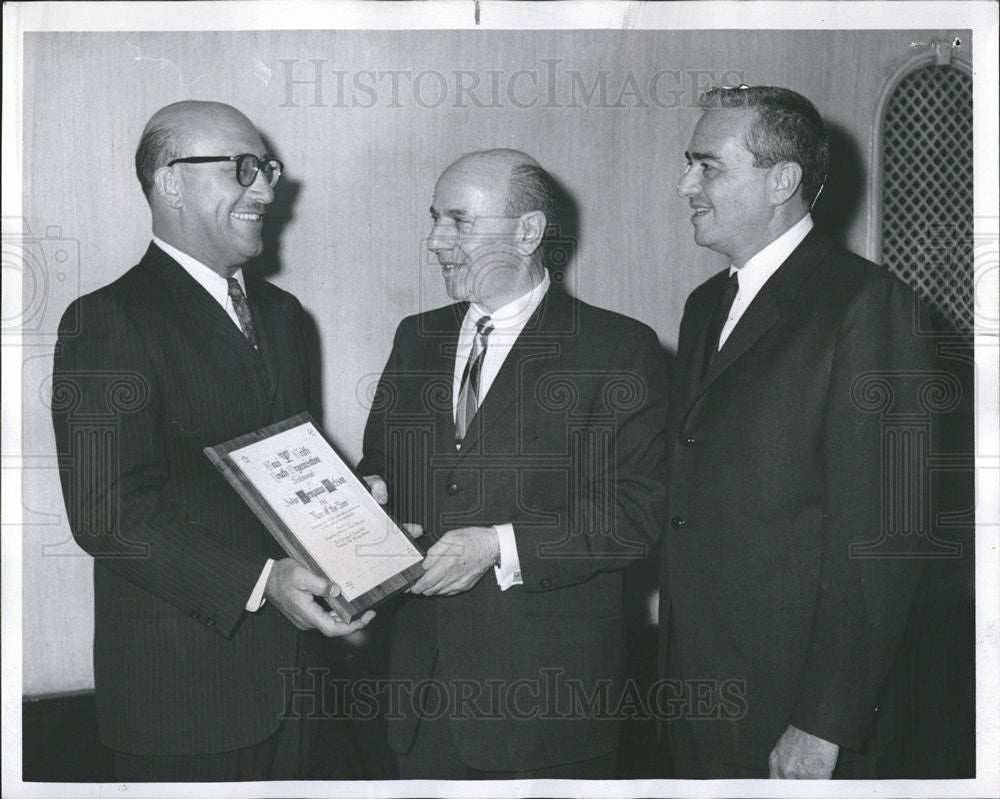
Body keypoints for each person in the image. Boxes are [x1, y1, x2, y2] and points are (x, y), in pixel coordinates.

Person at [51, 100, 372, 782]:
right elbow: (111, 515)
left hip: (308, 697)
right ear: (171, 182)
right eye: (243, 169)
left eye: (267, 169)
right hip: (185, 703)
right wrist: (263, 580)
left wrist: (356, 515)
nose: (264, 188)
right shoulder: (108, 320)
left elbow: (286, 475)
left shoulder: (285, 317)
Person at [359, 149, 668, 779]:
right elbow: (383, 459)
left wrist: (497, 546)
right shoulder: (414, 337)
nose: (434, 241)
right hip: (421, 701)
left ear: (528, 232)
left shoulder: (618, 348)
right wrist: (369, 491)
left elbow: (632, 516)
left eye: (458, 222)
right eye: (433, 219)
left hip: (546, 712)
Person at [660, 85, 938, 779]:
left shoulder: (870, 304)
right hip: (696, 698)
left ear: (782, 180)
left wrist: (823, 722)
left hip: (797, 714)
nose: (685, 183)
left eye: (708, 166)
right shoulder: (705, 305)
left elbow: (885, 539)